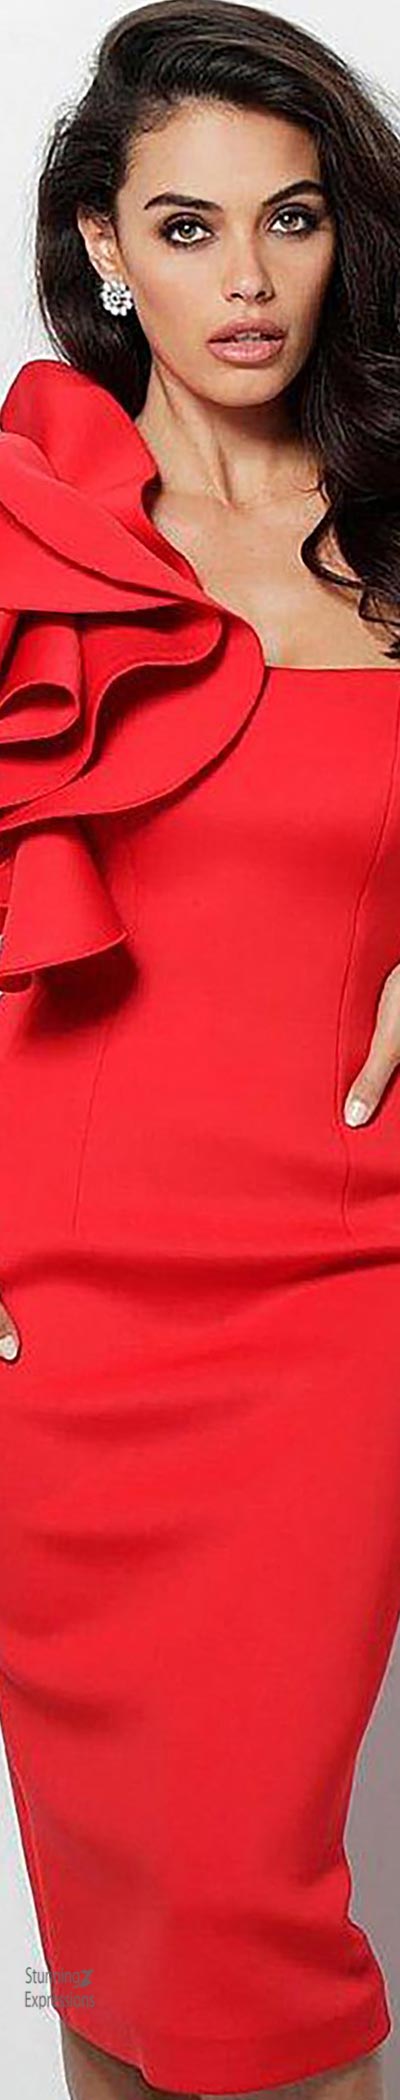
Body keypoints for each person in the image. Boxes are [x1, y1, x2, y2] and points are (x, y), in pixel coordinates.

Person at [0, 2, 399, 2097]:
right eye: (186, 226)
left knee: (248, 1908)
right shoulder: (25, 528)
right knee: (128, 1939)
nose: (246, 280)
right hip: (56, 1321)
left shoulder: (399, 521)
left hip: (342, 1293)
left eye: (291, 220)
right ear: (102, 247)